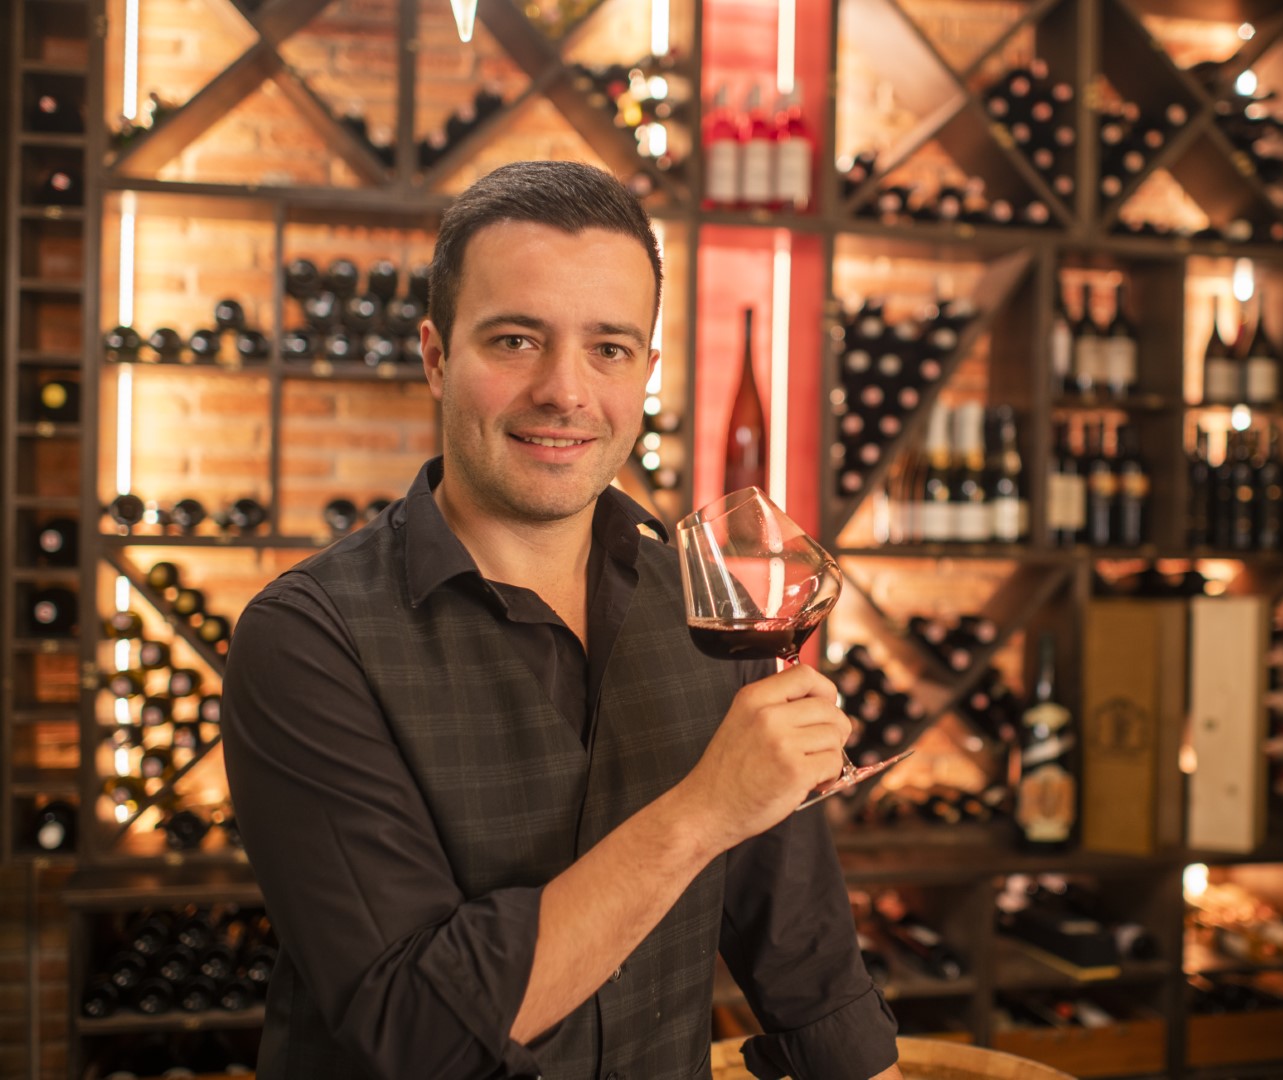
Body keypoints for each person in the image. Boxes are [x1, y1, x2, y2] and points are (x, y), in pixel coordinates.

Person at [222, 160, 902, 1079]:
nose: (565, 391)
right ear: (434, 356)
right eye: (514, 341)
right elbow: (417, 1030)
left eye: (608, 349)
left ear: (647, 373)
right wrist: (702, 813)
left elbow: (804, 957)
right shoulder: (308, 641)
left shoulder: (707, 609)